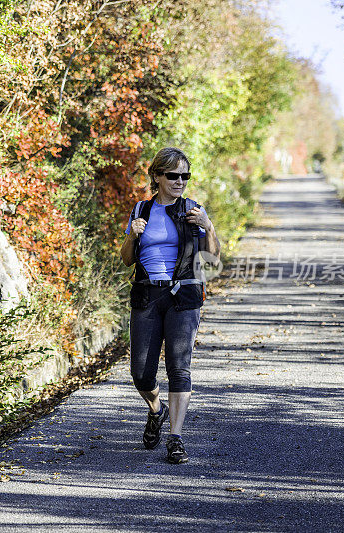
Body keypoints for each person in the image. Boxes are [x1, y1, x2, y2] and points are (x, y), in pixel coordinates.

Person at [120, 147, 221, 464]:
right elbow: (126, 260)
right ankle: (156, 410)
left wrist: (208, 226)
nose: (180, 181)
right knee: (141, 375)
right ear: (157, 176)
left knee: (179, 368)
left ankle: (175, 439)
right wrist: (132, 236)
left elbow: (213, 258)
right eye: (173, 176)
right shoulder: (142, 210)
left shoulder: (194, 210)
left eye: (185, 176)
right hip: (148, 295)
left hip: (185, 296)